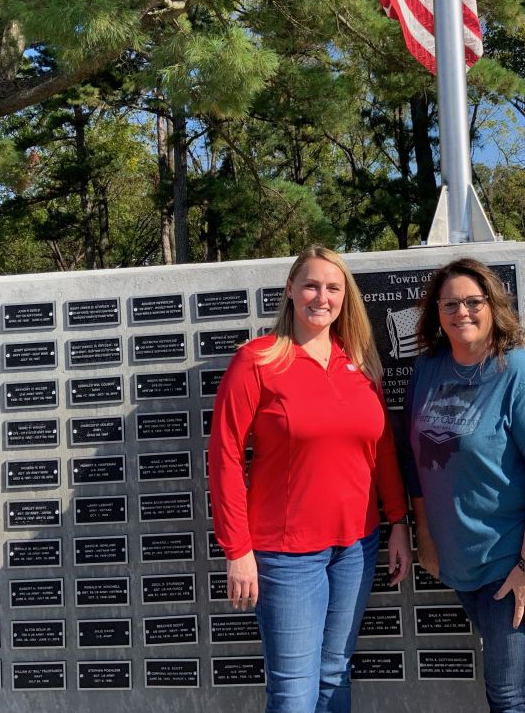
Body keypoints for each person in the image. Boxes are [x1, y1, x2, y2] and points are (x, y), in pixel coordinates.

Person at [209, 246, 413, 712]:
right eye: (311, 285)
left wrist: (398, 521)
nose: (321, 297)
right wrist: (237, 549)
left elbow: (381, 450)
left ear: (346, 297)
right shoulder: (257, 361)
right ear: (290, 291)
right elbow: (223, 456)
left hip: (356, 547)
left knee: (334, 678)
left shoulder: (360, 364)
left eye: (333, 288)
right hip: (285, 555)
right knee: (295, 693)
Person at [401, 257, 525, 713]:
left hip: (515, 560)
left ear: (492, 305)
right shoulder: (427, 371)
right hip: (465, 563)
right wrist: (425, 534)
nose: (462, 312)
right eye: (450, 304)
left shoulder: (518, 373)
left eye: (473, 301)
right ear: (436, 314)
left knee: (509, 695)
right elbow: (415, 460)